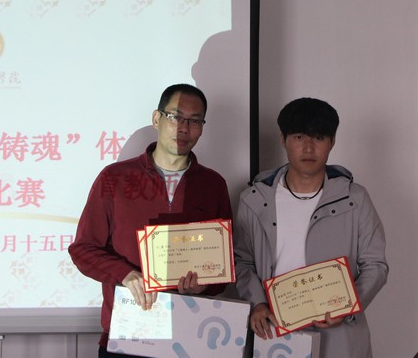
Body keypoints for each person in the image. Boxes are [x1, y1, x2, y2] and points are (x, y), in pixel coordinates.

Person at [68, 84, 233, 358]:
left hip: (189, 336)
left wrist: (205, 285)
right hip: (128, 334)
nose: (184, 128)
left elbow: (223, 267)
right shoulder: (114, 178)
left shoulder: (213, 184)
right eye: (175, 117)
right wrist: (125, 274)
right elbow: (83, 250)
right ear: (157, 118)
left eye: (194, 121)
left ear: (202, 127)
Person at [234, 97, 388, 358]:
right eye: (298, 137)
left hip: (339, 336)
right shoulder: (254, 199)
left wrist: (347, 308)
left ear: (332, 141)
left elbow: (376, 265)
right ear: (283, 139)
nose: (308, 147)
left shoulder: (355, 198)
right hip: (275, 333)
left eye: (318, 137)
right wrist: (257, 303)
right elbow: (242, 261)